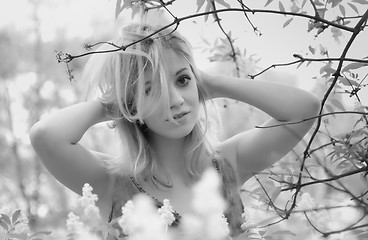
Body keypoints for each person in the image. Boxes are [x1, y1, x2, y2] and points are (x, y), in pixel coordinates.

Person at [29, 17, 320, 239]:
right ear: (130, 105)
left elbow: (304, 109)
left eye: (182, 80)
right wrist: (116, 103)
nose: (177, 101)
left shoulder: (228, 165)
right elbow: (46, 136)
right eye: (151, 91)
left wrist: (211, 83)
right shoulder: (110, 183)